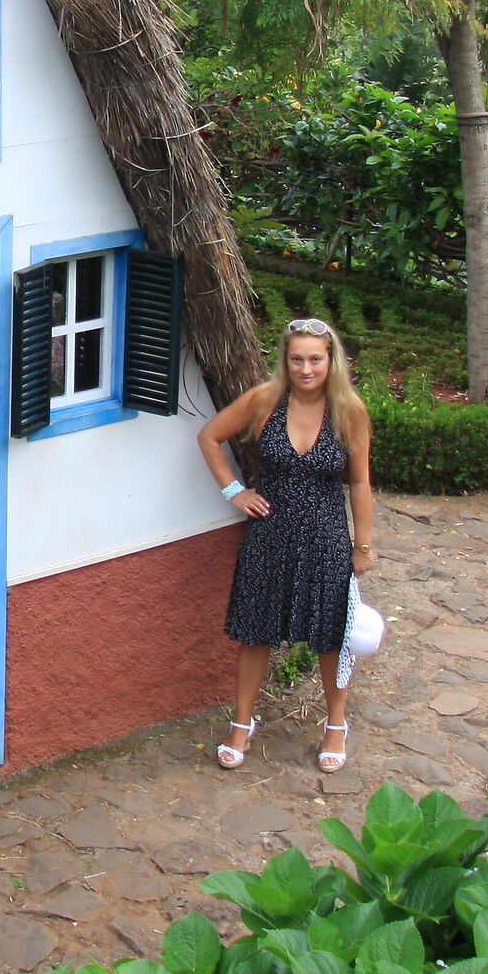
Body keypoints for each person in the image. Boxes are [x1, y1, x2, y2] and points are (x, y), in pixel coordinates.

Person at [195, 317, 375, 773]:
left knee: (331, 636)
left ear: (331, 361)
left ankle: (336, 724)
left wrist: (364, 545)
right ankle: (242, 722)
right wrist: (235, 491)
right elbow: (210, 437)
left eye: (315, 359)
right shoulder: (265, 400)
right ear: (285, 360)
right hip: (269, 535)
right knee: (255, 633)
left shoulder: (349, 411)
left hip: (327, 538)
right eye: (297, 359)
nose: (306, 368)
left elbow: (359, 482)